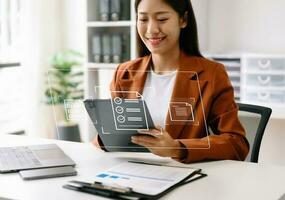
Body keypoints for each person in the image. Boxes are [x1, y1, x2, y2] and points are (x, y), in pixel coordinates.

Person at [93, 0, 249, 163]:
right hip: (132, 172)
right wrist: (107, 137)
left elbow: (236, 143)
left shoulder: (212, 74)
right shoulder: (124, 73)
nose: (152, 29)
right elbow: (107, 137)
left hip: (183, 175)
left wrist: (178, 148)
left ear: (183, 20)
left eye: (162, 19)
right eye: (143, 19)